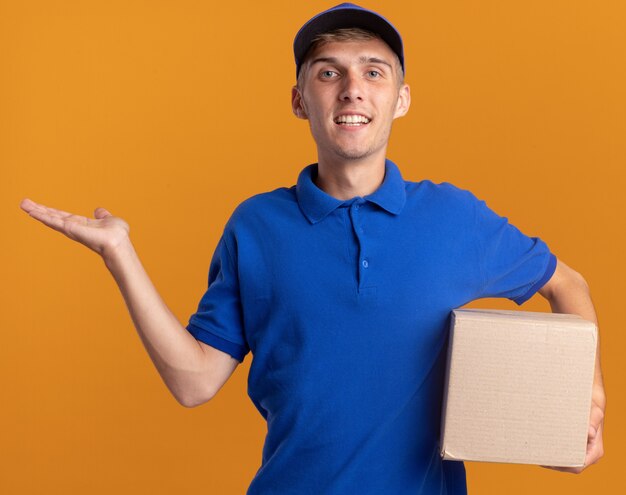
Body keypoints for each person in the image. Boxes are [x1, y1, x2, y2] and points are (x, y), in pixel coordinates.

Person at [20, 3, 604, 493]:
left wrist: (586, 397)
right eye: (329, 73)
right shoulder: (256, 227)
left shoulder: (454, 218)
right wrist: (121, 255)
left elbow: (565, 283)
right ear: (300, 100)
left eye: (375, 72)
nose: (353, 88)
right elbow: (194, 382)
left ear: (400, 99)